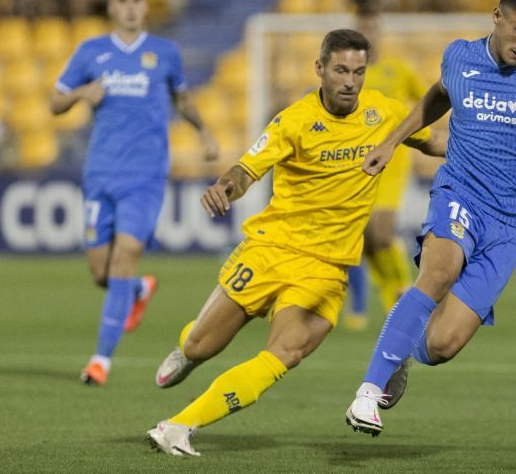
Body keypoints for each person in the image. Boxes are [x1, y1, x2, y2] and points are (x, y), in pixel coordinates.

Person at [145, 29, 446, 457]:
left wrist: (490, 150)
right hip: (270, 251)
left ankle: (179, 426)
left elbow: (435, 141)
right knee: (201, 345)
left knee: (286, 352)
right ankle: (188, 348)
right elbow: (245, 171)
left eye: (359, 72)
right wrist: (224, 187)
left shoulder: (384, 113)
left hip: (325, 268)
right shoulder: (294, 120)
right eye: (341, 70)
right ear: (320, 69)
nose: (350, 81)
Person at [344, 0, 516, 436]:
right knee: (437, 273)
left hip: (512, 221)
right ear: (496, 15)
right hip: (460, 193)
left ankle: (402, 345)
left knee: (442, 344)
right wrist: (392, 140)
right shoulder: (459, 56)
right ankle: (367, 393)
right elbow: (438, 96)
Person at [50, 0, 218, 386]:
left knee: (124, 257)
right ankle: (139, 290)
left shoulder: (164, 53)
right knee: (101, 273)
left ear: (145, 7)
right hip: (100, 173)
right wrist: (80, 94)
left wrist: (204, 131)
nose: (130, 6)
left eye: (136, 0)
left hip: (144, 176)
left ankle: (100, 361)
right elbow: (55, 102)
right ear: (111, 7)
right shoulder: (91, 52)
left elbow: (182, 100)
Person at [343, 0, 430, 330]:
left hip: (392, 160)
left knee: (380, 233)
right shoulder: (350, 75)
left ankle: (404, 288)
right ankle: (382, 297)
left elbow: (427, 100)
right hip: (355, 161)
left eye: (374, 29)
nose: (369, 35)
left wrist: (428, 136)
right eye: (364, 29)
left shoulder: (398, 69)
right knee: (360, 236)